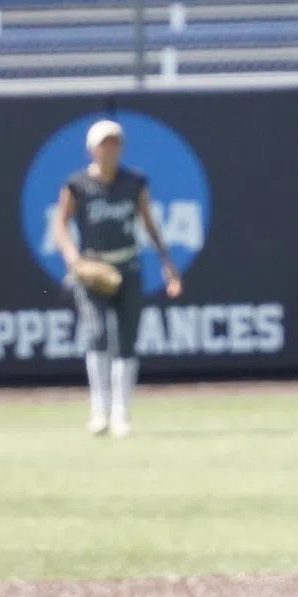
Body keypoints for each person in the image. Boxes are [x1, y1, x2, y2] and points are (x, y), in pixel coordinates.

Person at [50, 119, 182, 437]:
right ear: (91, 149)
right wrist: (74, 259)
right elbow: (60, 225)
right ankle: (99, 410)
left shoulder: (134, 182)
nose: (109, 149)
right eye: (103, 143)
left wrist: (167, 261)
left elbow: (148, 222)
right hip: (93, 269)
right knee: (96, 335)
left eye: (114, 143)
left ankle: (122, 413)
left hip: (128, 265)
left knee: (127, 340)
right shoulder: (78, 184)